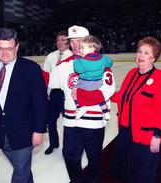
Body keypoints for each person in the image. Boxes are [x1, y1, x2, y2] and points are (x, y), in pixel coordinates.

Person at [0, 28, 48, 183]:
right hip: (1, 132)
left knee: (20, 174)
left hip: (25, 132)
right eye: (0, 48)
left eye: (9, 48)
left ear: (16, 47)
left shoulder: (31, 69)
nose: (4, 53)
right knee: (22, 170)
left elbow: (41, 102)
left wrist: (39, 130)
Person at [46, 25, 116, 183]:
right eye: (72, 42)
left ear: (89, 42)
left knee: (94, 158)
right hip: (71, 121)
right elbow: (49, 81)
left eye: (80, 41)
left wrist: (82, 96)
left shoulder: (100, 62)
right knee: (69, 155)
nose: (76, 45)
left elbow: (108, 89)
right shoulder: (64, 65)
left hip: (94, 122)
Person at [107, 36, 161, 183]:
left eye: (146, 53)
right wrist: (103, 94)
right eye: (139, 51)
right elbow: (123, 96)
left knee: (144, 173)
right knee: (128, 168)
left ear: (154, 58)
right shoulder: (131, 73)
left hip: (147, 134)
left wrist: (157, 135)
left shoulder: (160, 77)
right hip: (126, 131)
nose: (141, 55)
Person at [43, 31, 73, 155]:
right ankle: (53, 144)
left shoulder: (73, 56)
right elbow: (45, 75)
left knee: (69, 123)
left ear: (69, 43)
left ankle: (69, 147)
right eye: (58, 40)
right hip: (53, 94)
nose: (59, 42)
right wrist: (44, 94)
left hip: (66, 94)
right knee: (50, 121)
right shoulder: (51, 56)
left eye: (63, 40)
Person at [72, 35, 113, 121]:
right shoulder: (103, 58)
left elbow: (78, 69)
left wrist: (76, 59)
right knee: (98, 97)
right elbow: (110, 63)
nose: (80, 50)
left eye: (82, 48)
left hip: (85, 83)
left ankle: (79, 107)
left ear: (92, 48)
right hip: (98, 83)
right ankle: (105, 111)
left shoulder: (83, 61)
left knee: (74, 91)